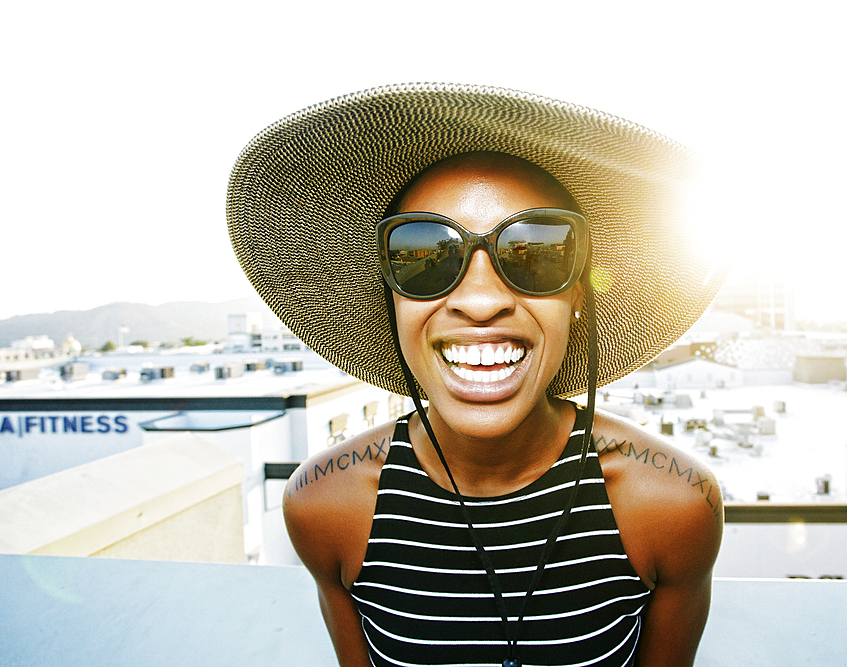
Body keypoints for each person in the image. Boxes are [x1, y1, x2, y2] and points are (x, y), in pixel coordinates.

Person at [227, 83, 727, 667]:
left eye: (537, 251)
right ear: (389, 298)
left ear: (580, 298)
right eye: (426, 253)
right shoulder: (327, 508)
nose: (482, 300)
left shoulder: (672, 505)